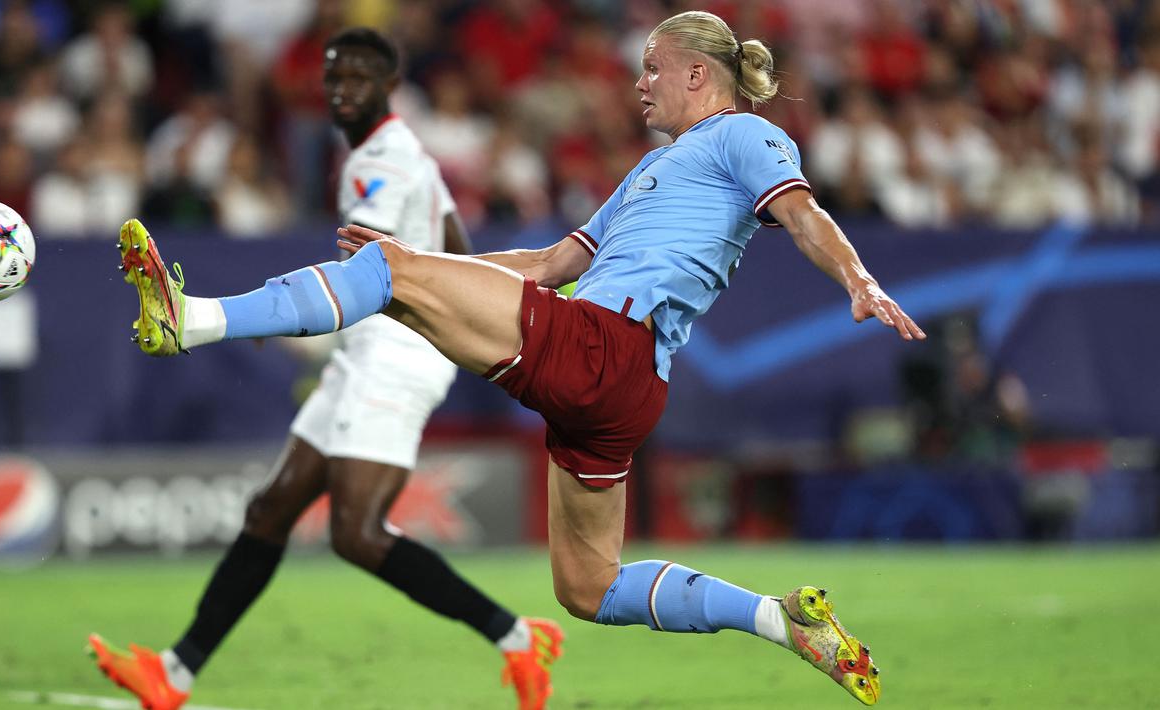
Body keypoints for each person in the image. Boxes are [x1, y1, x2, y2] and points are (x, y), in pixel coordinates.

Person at [113, 12, 926, 706]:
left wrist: (856, 278)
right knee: (587, 588)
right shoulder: (652, 169)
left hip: (603, 345)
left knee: (390, 277)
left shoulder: (746, 134)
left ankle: (192, 319)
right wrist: (430, 261)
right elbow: (542, 266)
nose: (638, 84)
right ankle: (780, 620)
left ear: (694, 73)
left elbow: (801, 210)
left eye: (650, 70)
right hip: (625, 389)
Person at [88, 29, 563, 710]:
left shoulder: (383, 161)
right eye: (333, 78)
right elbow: (458, 253)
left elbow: (355, 271)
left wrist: (284, 319)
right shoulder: (414, 162)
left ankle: (517, 636)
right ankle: (176, 672)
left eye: (358, 79)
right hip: (369, 348)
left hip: (398, 353)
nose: (341, 90)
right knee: (272, 507)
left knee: (357, 534)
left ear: (389, 84)